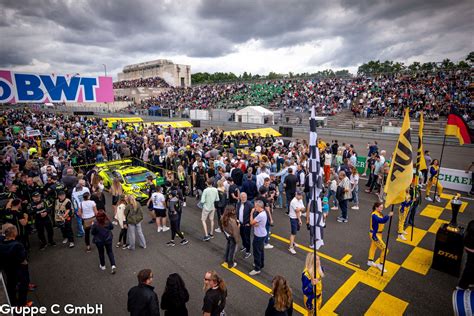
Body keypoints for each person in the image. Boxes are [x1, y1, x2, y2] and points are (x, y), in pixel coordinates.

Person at [0, 224, 31, 307]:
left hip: (8, 269)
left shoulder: (1, 243)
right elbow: (22, 258)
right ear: (14, 233)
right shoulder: (17, 245)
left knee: (11, 286)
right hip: (19, 270)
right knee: (23, 285)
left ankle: (13, 303)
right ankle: (22, 304)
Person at [368, 202, 394, 272]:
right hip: (375, 234)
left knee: (373, 247)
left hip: (378, 234)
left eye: (382, 207)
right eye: (380, 207)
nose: (382, 209)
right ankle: (381, 264)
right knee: (385, 249)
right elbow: (382, 221)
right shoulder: (374, 215)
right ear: (376, 207)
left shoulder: (379, 213)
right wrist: (388, 215)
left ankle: (370, 261)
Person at [249, 200, 267, 275]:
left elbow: (251, 222)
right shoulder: (263, 213)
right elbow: (256, 224)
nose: (254, 207)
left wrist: (251, 213)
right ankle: (261, 264)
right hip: (263, 233)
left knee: (257, 251)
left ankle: (257, 268)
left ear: (259, 207)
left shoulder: (260, 215)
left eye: (256, 206)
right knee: (261, 250)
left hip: (259, 235)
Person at [457, 220, 474, 290]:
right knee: (470, 267)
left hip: (470, 248)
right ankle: (462, 285)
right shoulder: (472, 227)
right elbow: (467, 245)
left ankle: (471, 282)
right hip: (471, 250)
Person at [236, 192, 253, 259]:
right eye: (242, 197)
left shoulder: (250, 204)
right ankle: (244, 245)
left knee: (247, 238)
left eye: (244, 197)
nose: (243, 198)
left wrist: (250, 223)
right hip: (240, 224)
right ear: (240, 197)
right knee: (242, 236)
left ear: (246, 197)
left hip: (246, 225)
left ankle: (248, 251)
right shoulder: (238, 204)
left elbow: (253, 214)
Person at [288, 190, 304, 255]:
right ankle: (291, 247)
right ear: (296, 194)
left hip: (297, 217)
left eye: (301, 195)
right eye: (299, 195)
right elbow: (297, 211)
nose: (300, 196)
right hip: (294, 218)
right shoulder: (293, 201)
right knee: (293, 233)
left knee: (296, 231)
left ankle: (293, 242)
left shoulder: (300, 199)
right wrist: (300, 220)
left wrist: (299, 209)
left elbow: (303, 208)